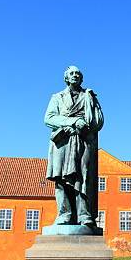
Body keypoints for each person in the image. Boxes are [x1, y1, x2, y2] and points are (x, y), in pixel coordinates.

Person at [44, 65, 104, 230]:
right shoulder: (57, 97)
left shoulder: (89, 96)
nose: (75, 75)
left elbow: (99, 122)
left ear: (81, 78)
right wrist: (72, 121)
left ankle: (84, 215)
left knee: (83, 177)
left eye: (78, 73)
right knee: (61, 179)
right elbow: (49, 118)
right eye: (72, 73)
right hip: (62, 142)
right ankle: (64, 214)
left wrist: (91, 106)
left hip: (83, 141)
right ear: (66, 77)